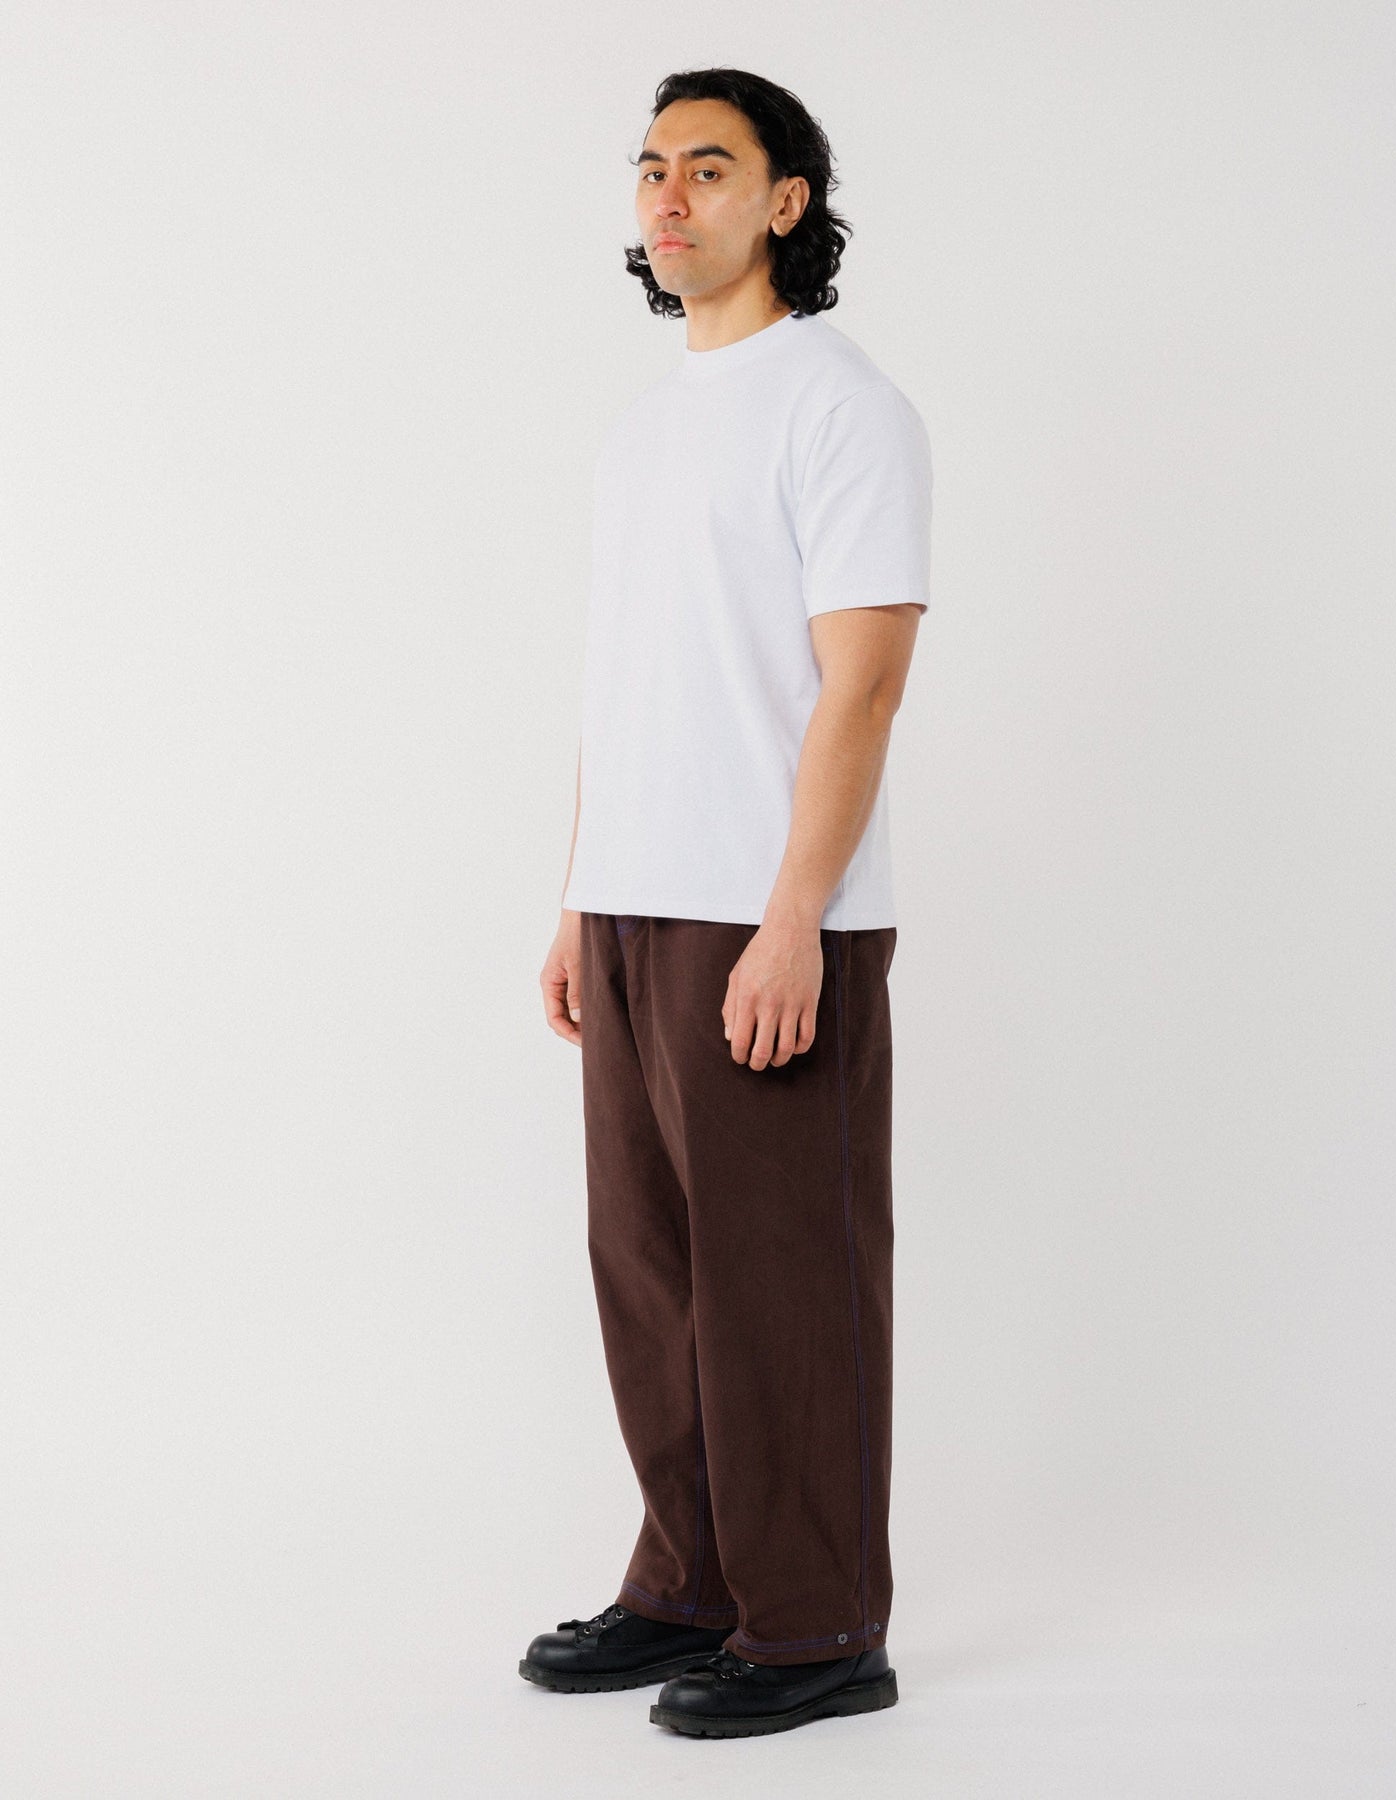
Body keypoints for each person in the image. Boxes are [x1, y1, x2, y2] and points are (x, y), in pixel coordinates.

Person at [526, 65, 933, 1739]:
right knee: (652, 1272)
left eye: (709, 166)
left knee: (785, 1278)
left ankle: (818, 1624)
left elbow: (864, 685)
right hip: (635, 904)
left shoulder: (841, 406)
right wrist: (579, 899)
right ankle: (689, 1582)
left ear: (785, 200)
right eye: (650, 168)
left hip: (767, 913)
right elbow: (627, 682)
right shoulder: (643, 428)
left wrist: (793, 919)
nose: (669, 196)